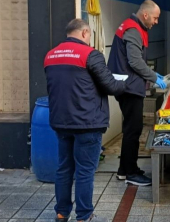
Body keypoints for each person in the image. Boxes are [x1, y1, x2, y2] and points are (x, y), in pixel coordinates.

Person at [44, 19, 127, 222]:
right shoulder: (90, 55)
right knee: (84, 171)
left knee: (64, 168)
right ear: (84, 33)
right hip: (87, 123)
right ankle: (84, 215)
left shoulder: (50, 55)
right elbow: (111, 87)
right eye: (89, 35)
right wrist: (128, 83)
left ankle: (62, 212)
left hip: (61, 122)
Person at [107, 0, 167, 186]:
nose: (156, 22)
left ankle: (124, 170)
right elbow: (135, 62)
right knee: (133, 130)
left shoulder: (134, 27)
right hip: (129, 88)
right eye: (155, 18)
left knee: (131, 129)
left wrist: (151, 76)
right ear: (146, 15)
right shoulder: (133, 30)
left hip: (129, 85)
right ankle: (131, 173)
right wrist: (154, 77)